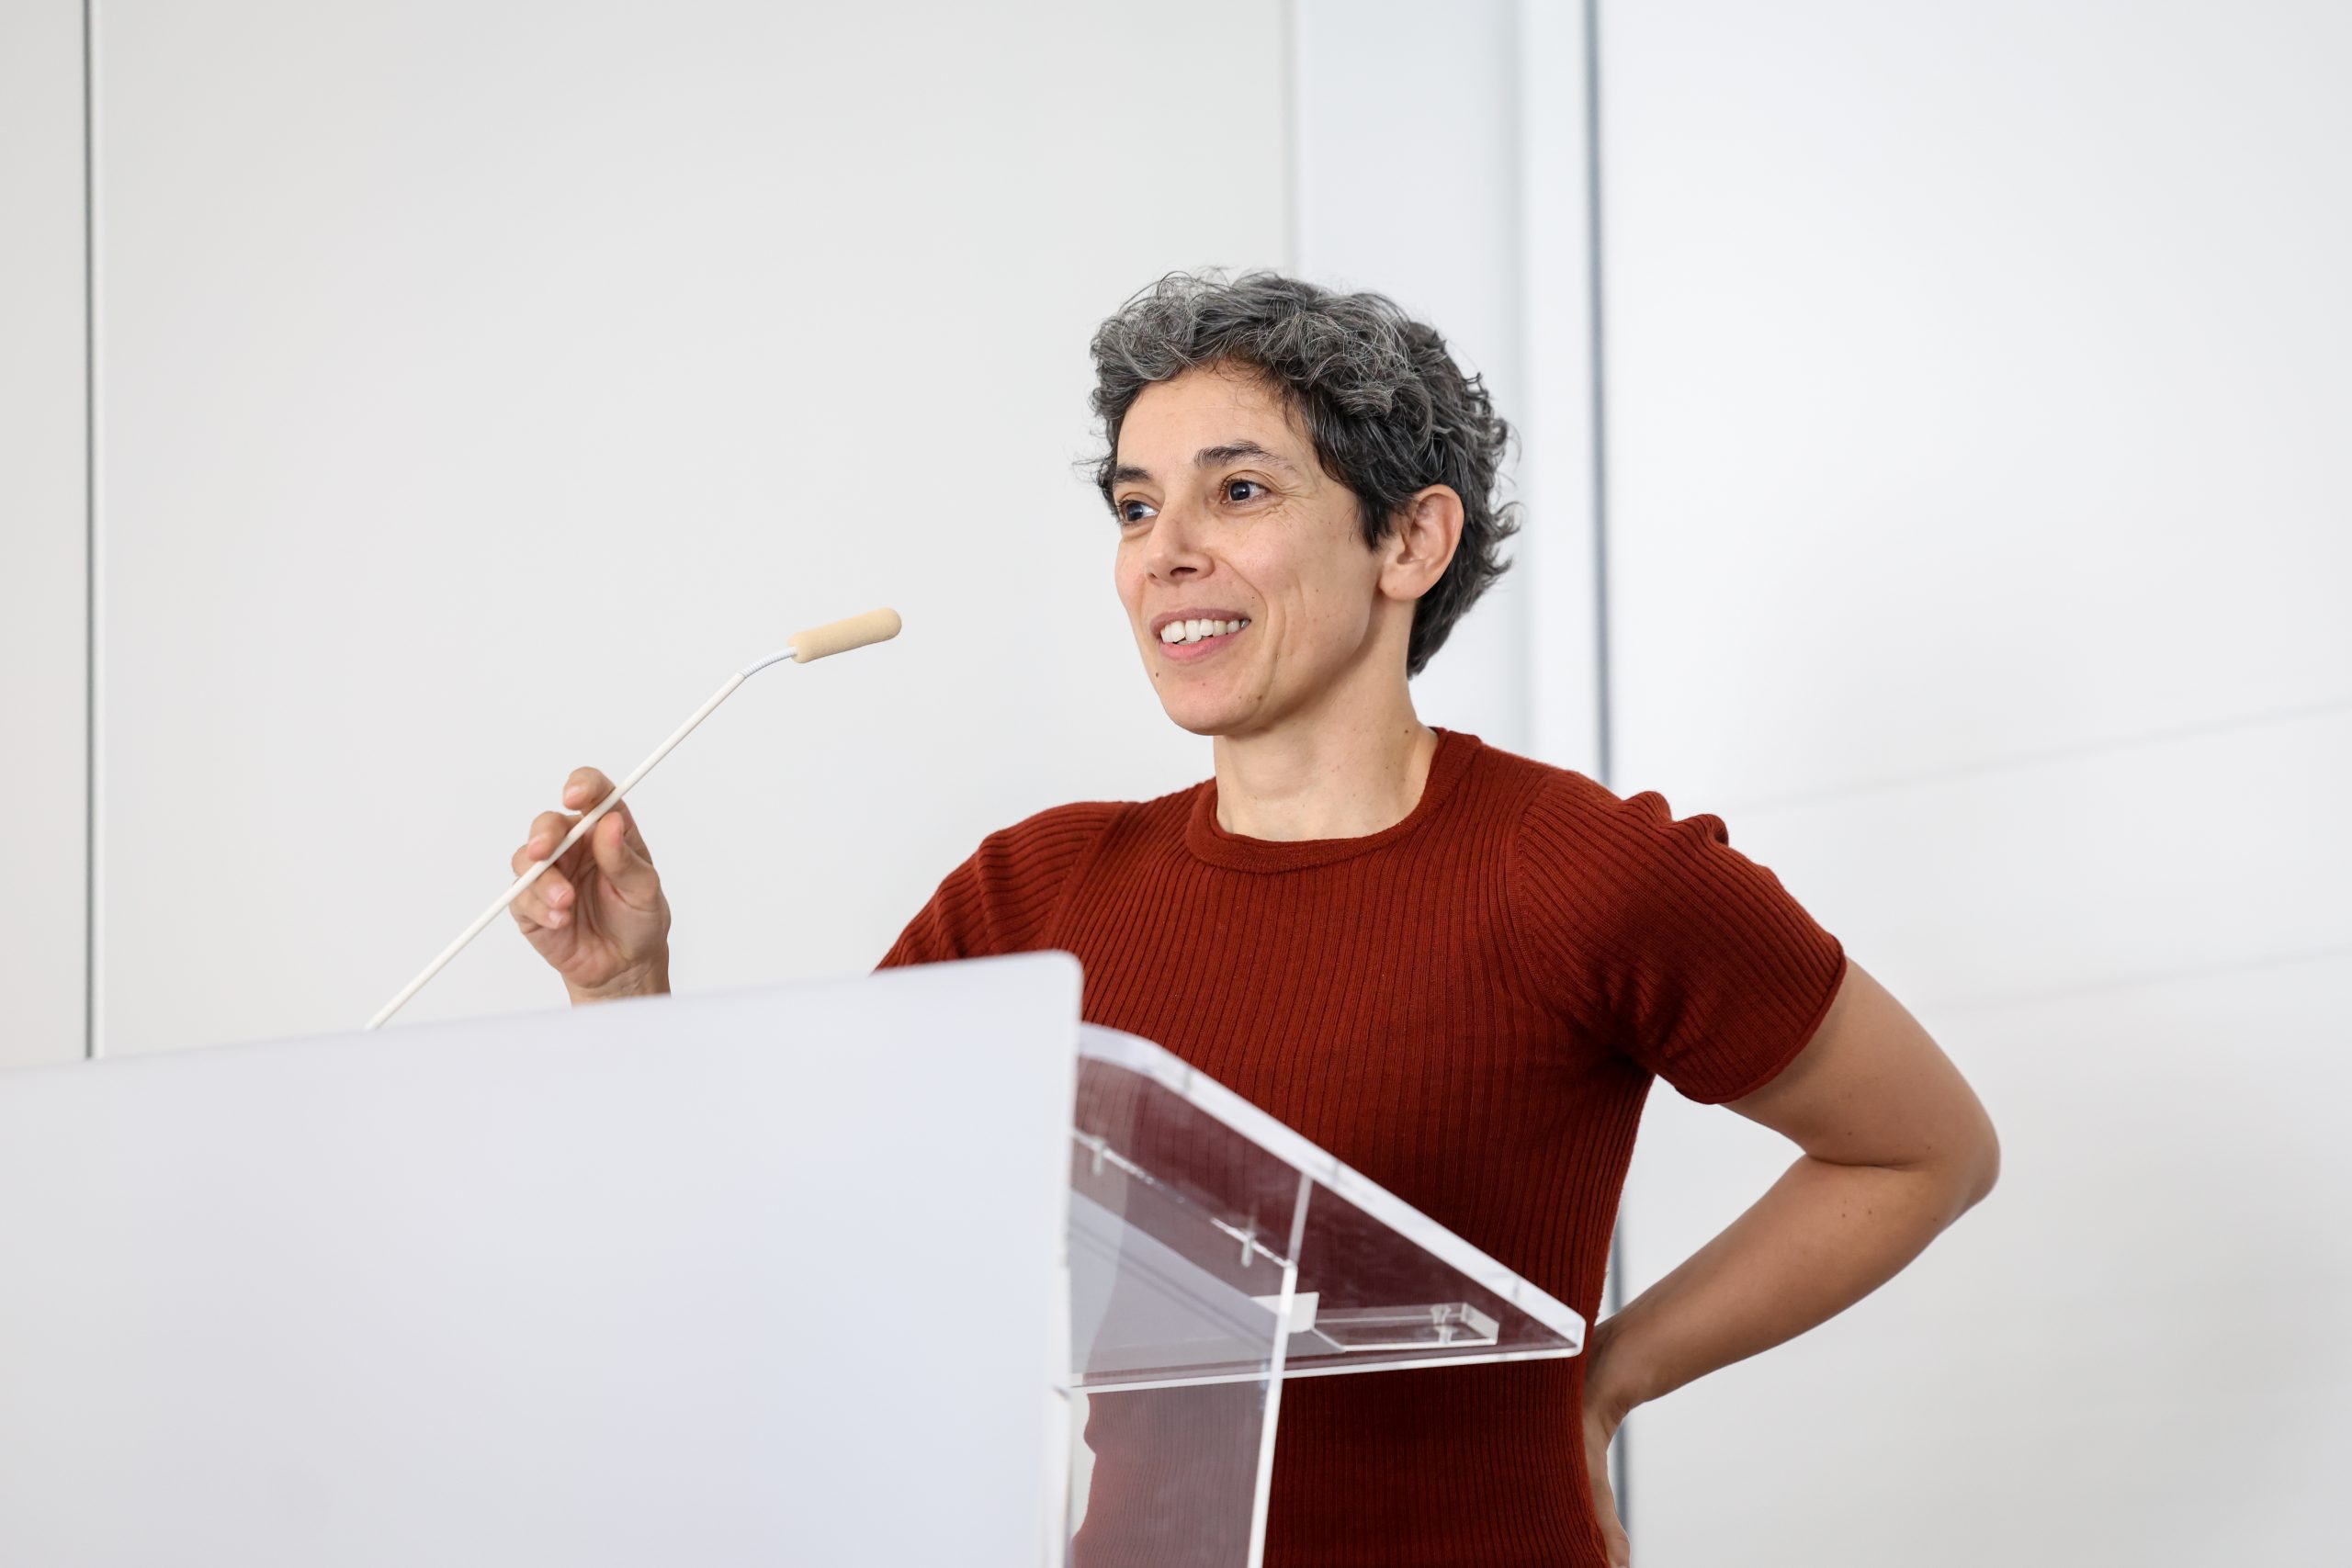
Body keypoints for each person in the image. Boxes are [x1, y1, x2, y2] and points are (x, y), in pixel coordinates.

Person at [504, 268, 2001, 1567]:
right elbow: (793, 1236)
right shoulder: (1035, 893)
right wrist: (622, 996)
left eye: (1239, 491)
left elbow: (1922, 1148)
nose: (1164, 550)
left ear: (1409, 543)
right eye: (1136, 505)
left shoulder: (1578, 872)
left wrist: (1608, 1377)